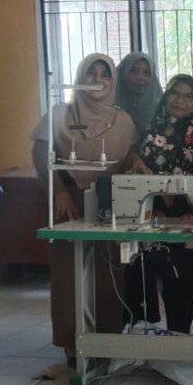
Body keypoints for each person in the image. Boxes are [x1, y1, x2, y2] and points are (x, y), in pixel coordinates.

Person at [30, 53, 138, 364]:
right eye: (91, 72)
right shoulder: (59, 115)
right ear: (79, 76)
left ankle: (106, 340)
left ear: (113, 81)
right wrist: (59, 192)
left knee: (108, 272)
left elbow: (128, 155)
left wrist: (137, 164)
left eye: (105, 74)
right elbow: (40, 154)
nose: (97, 79)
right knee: (70, 273)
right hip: (70, 203)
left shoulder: (123, 121)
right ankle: (72, 343)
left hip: (108, 202)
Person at [123, 75, 193, 336]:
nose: (180, 100)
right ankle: (178, 338)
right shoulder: (150, 130)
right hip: (161, 217)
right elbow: (139, 171)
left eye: (188, 96)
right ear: (166, 95)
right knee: (174, 283)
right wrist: (150, 208)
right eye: (174, 93)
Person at [115, 52, 163, 137]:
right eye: (133, 71)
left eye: (146, 73)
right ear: (123, 72)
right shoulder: (107, 106)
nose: (140, 77)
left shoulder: (162, 109)